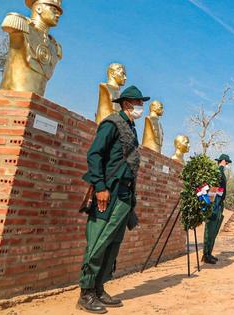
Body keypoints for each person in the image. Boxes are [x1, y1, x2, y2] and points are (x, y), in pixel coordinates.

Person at [78, 85, 150, 313]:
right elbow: (95, 154)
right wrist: (100, 186)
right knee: (99, 241)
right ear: (127, 103)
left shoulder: (130, 126)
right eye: (138, 103)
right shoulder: (112, 123)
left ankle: (99, 288)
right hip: (108, 192)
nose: (141, 107)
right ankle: (86, 293)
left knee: (113, 243)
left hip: (125, 194)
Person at [203, 154, 232, 264]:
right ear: (223, 161)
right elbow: (213, 189)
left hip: (218, 204)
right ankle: (206, 255)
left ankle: (209, 253)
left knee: (214, 230)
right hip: (214, 204)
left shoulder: (221, 172)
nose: (228, 164)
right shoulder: (218, 172)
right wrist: (213, 205)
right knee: (210, 230)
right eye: (227, 162)